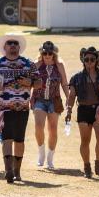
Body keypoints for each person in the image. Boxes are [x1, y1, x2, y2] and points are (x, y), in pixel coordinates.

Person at [0, 34, 38, 183]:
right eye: (10, 43)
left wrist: (30, 82)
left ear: (19, 47)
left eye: (15, 43)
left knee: (19, 140)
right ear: (4, 47)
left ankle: (17, 171)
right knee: (7, 138)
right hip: (4, 107)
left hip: (22, 107)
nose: (13, 45)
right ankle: (8, 170)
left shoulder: (28, 63)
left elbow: (39, 81)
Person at [65, 46, 99, 178]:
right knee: (85, 141)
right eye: (86, 60)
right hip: (83, 110)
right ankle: (87, 167)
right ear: (83, 61)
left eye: (92, 59)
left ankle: (98, 164)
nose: (89, 62)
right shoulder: (76, 78)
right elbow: (71, 96)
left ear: (96, 60)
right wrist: (69, 110)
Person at [31, 40, 68, 170]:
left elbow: (64, 83)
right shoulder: (36, 65)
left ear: (54, 54)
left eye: (50, 53)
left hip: (54, 100)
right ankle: (41, 152)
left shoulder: (59, 65)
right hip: (39, 99)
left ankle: (50, 158)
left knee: (53, 129)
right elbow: (29, 82)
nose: (47, 55)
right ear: (41, 53)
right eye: (45, 52)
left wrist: (69, 98)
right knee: (39, 126)